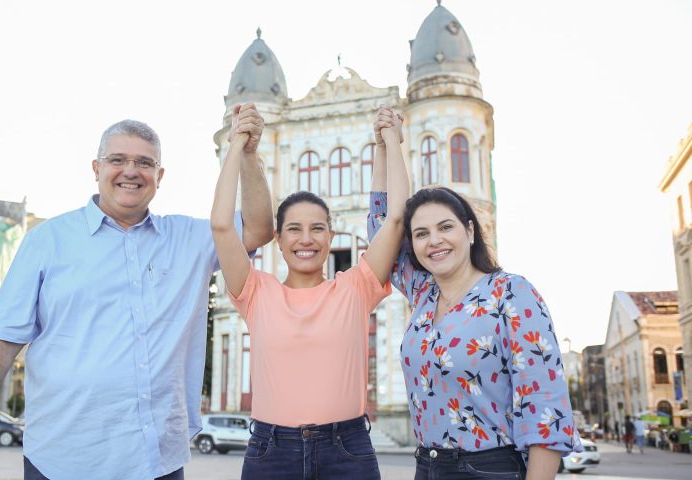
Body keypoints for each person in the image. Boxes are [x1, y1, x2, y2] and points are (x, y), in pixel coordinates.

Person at [0, 105, 274, 480]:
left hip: (157, 461)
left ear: (159, 176)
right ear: (96, 169)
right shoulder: (47, 241)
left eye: (144, 163)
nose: (131, 171)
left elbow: (258, 229)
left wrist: (247, 153)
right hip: (63, 460)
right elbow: (1, 340)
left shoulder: (189, 240)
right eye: (117, 160)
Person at [367, 112, 581, 479]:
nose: (434, 240)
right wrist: (386, 147)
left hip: (489, 468)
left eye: (445, 227)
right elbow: (384, 225)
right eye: (422, 234)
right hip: (427, 466)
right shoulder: (422, 294)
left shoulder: (512, 294)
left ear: (469, 231)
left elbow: (545, 407)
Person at [209, 105, 409, 480]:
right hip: (271, 452)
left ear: (330, 236)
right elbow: (221, 225)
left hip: (346, 451)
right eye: (294, 229)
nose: (306, 239)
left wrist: (390, 144)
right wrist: (238, 145)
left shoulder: (355, 287)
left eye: (317, 228)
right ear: (278, 239)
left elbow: (396, 217)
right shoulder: (255, 291)